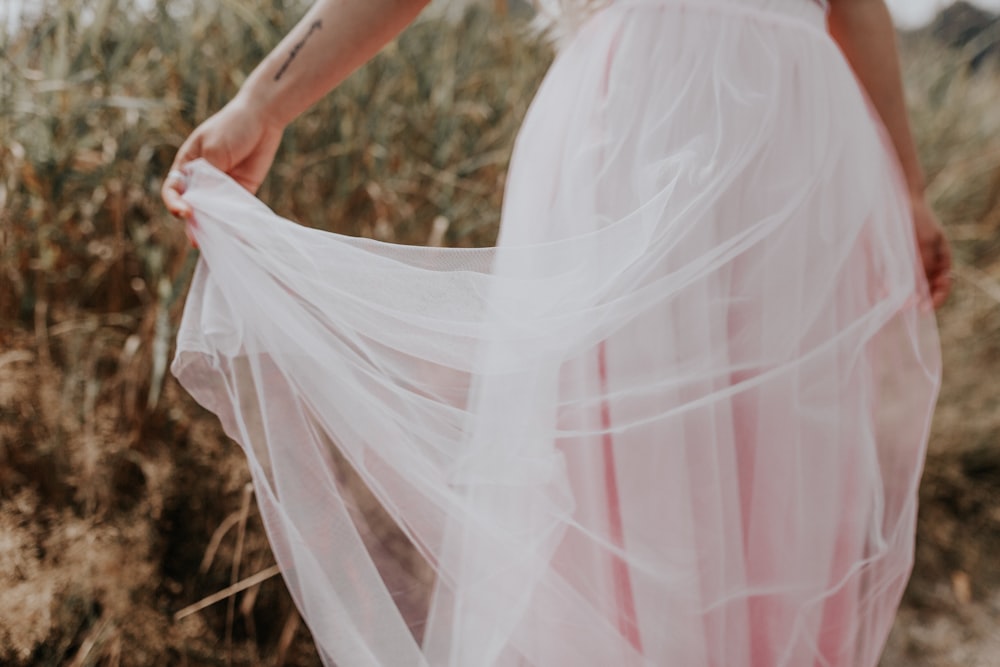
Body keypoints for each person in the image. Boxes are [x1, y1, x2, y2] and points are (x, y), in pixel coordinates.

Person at [163, 0, 951, 665]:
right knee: (622, 487)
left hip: (803, 157)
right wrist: (261, 102)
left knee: (789, 485)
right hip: (641, 129)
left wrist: (907, 188)